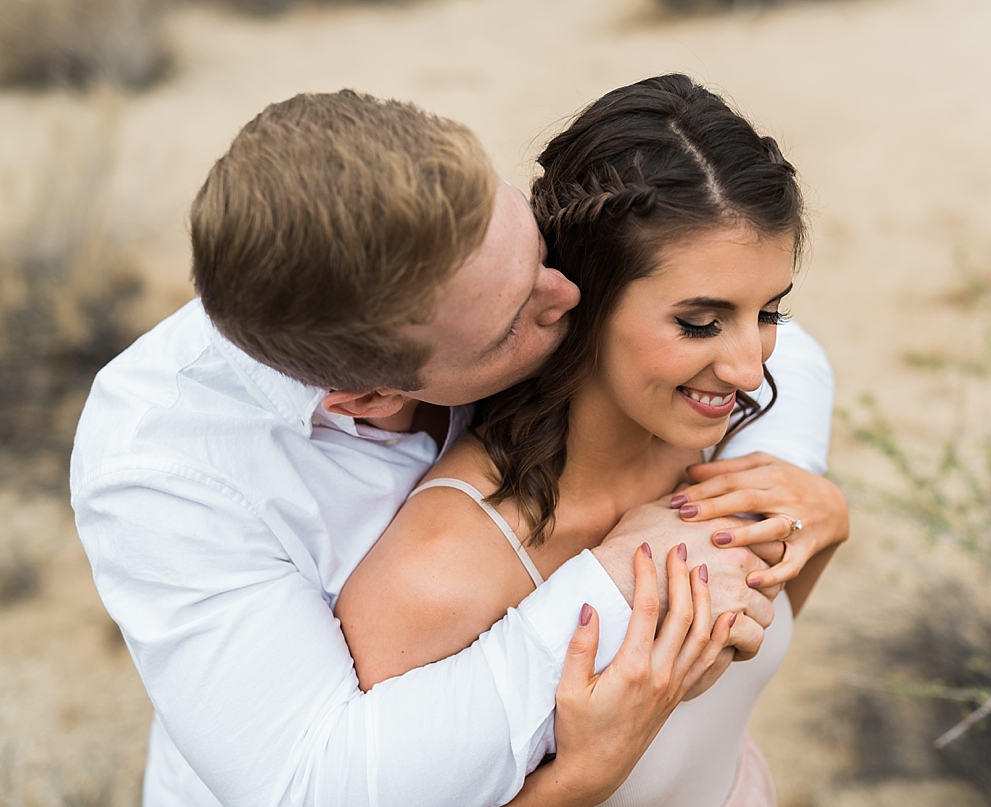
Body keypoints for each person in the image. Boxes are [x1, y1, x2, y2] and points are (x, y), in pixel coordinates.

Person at [69, 88, 846, 807]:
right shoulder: (165, 471)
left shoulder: (475, 263)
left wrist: (796, 491)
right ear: (371, 396)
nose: (568, 292)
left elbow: (746, 325)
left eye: (536, 248)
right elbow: (315, 784)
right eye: (518, 314)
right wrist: (610, 598)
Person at [337, 74, 839, 807]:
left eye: (768, 312)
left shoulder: (721, 439)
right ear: (582, 296)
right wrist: (582, 780)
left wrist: (826, 525)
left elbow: (747, 671)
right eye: (700, 323)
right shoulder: (438, 573)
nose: (747, 368)